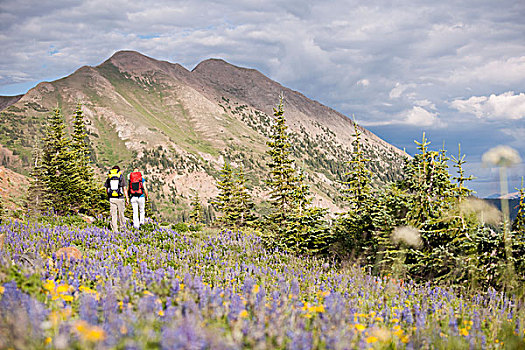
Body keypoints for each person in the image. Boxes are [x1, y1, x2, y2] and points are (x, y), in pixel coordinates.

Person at [104, 166, 128, 232]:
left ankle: (115, 230)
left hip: (112, 198)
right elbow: (124, 189)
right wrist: (127, 198)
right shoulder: (121, 177)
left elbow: (106, 188)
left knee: (113, 215)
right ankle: (122, 229)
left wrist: (108, 196)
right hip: (120, 198)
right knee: (121, 214)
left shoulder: (109, 177)